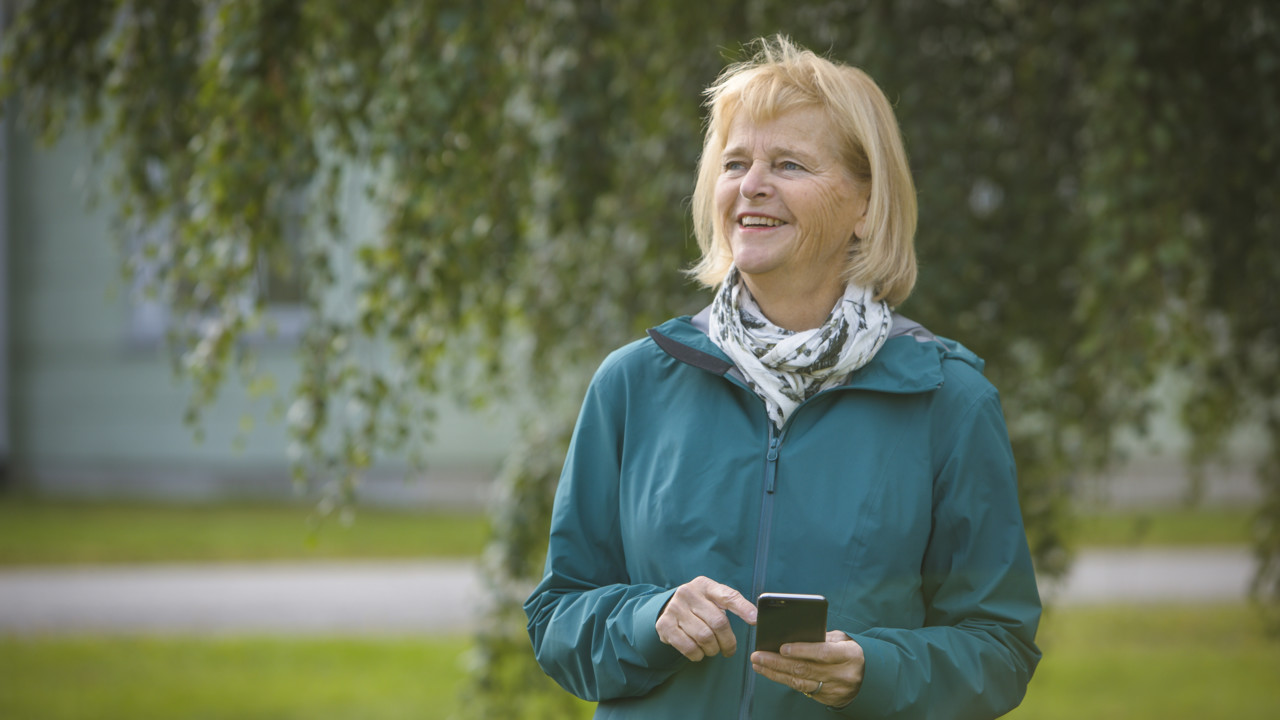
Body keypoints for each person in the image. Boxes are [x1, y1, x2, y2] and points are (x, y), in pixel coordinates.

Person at [525, 36, 1041, 719]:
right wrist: (647, 619)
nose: (752, 186)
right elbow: (558, 614)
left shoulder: (947, 400)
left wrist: (874, 670)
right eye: (735, 163)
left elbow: (999, 650)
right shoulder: (633, 384)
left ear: (865, 204)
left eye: (790, 163)